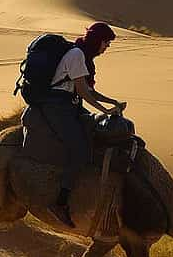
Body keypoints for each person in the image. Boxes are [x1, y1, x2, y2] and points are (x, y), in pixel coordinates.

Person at [36, 22, 126, 228]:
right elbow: (83, 92)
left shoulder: (83, 57)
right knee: (79, 149)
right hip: (57, 106)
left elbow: (88, 91)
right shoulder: (77, 55)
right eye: (106, 43)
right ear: (98, 40)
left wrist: (112, 103)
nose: (106, 47)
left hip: (68, 105)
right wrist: (105, 111)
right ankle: (59, 203)